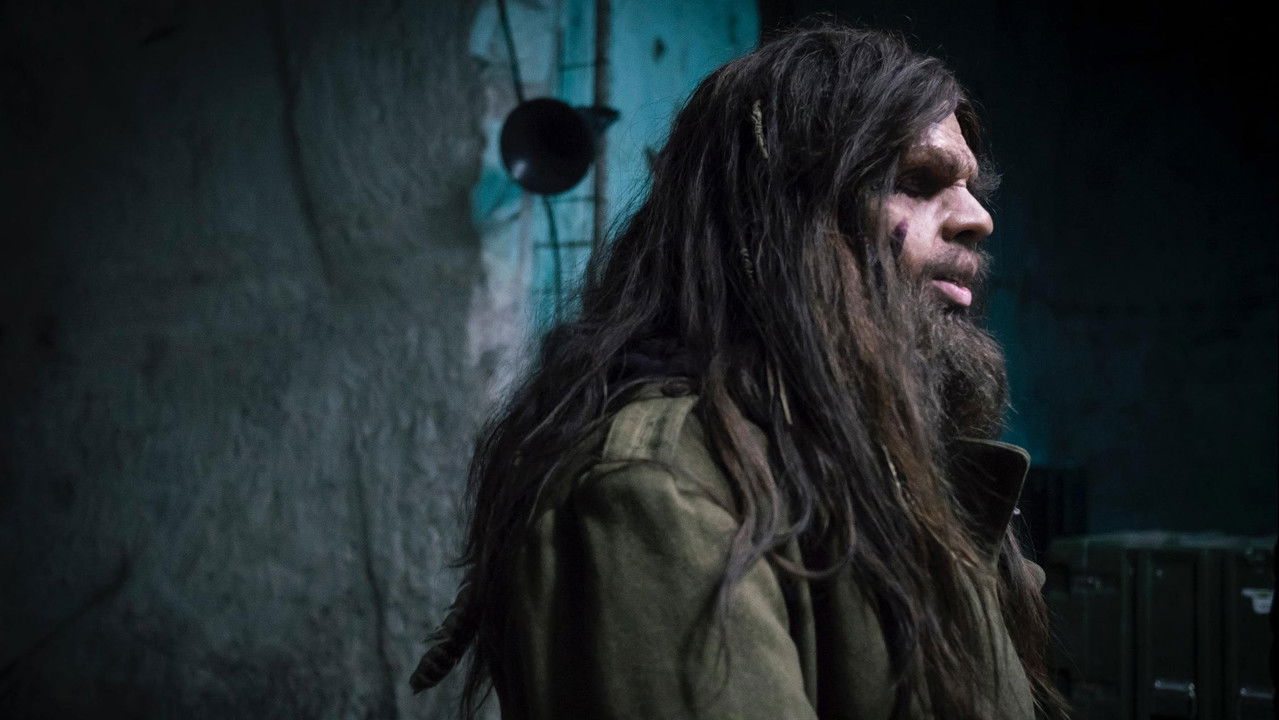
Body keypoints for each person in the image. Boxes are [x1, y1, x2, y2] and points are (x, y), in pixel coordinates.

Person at [411, 20, 1067, 720]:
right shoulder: (660, 487)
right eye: (914, 180)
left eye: (970, 186)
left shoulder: (892, 466)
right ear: (779, 216)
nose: (977, 217)